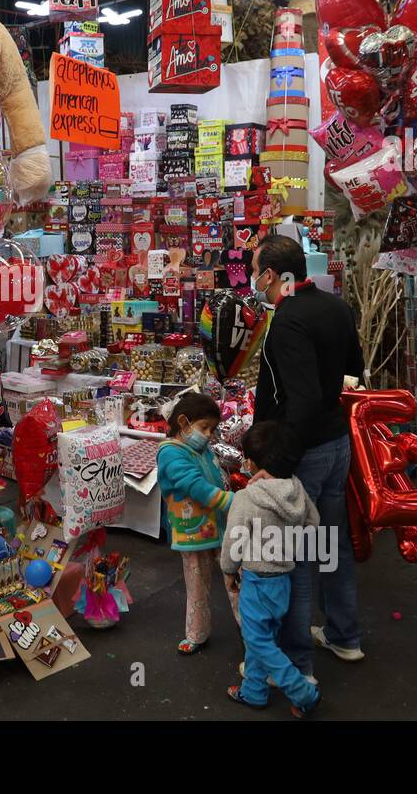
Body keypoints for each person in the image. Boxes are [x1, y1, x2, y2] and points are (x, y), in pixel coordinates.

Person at [251, 234, 366, 678]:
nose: (253, 280)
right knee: (332, 544)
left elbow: (299, 401)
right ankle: (344, 636)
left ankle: (297, 663)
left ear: (275, 274)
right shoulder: (334, 305)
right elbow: (353, 369)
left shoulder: (288, 320)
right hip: (336, 443)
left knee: (294, 558)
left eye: (256, 270)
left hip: (307, 450)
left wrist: (276, 465)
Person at [223, 420, 322, 718]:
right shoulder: (296, 488)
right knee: (264, 638)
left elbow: (233, 542)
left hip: (255, 581)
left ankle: (302, 691)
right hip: (283, 581)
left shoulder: (246, 498)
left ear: (250, 462)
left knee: (257, 639)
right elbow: (313, 523)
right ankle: (253, 691)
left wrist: (228, 570)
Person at [157, 392, 237, 655]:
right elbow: (194, 486)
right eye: (205, 428)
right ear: (183, 422)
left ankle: (254, 633)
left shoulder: (201, 448)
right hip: (194, 534)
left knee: (236, 581)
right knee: (197, 586)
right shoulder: (170, 453)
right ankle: (196, 633)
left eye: (212, 429)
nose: (209, 434)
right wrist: (231, 501)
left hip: (221, 526)